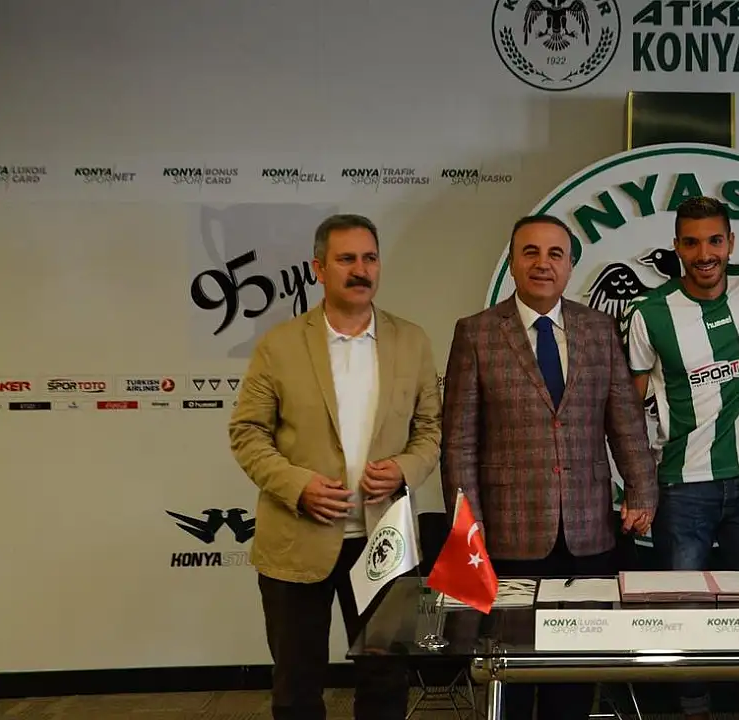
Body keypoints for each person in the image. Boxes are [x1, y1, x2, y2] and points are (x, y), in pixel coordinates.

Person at [441, 214, 658, 720]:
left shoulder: (598, 329)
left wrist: (642, 491)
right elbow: (459, 441)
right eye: (531, 252)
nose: (543, 263)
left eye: (555, 254)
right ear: (513, 262)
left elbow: (625, 421)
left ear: (570, 266)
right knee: (511, 665)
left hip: (589, 530)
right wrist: (468, 525)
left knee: (574, 669)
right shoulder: (476, 333)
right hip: (508, 531)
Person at [228, 213, 442, 720]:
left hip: (383, 541)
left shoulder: (411, 341)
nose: (361, 270)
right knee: (297, 685)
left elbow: (431, 429)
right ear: (319, 269)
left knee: (385, 681)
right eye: (346, 259)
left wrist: (405, 468)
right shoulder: (279, 345)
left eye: (370, 258)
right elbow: (247, 432)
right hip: (297, 539)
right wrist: (297, 485)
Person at [621, 196, 739, 720]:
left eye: (715, 241)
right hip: (683, 484)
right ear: (676, 247)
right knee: (683, 609)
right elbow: (628, 410)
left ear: (731, 242)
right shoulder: (650, 313)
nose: (705, 253)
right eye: (691, 243)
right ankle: (693, 709)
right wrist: (637, 484)